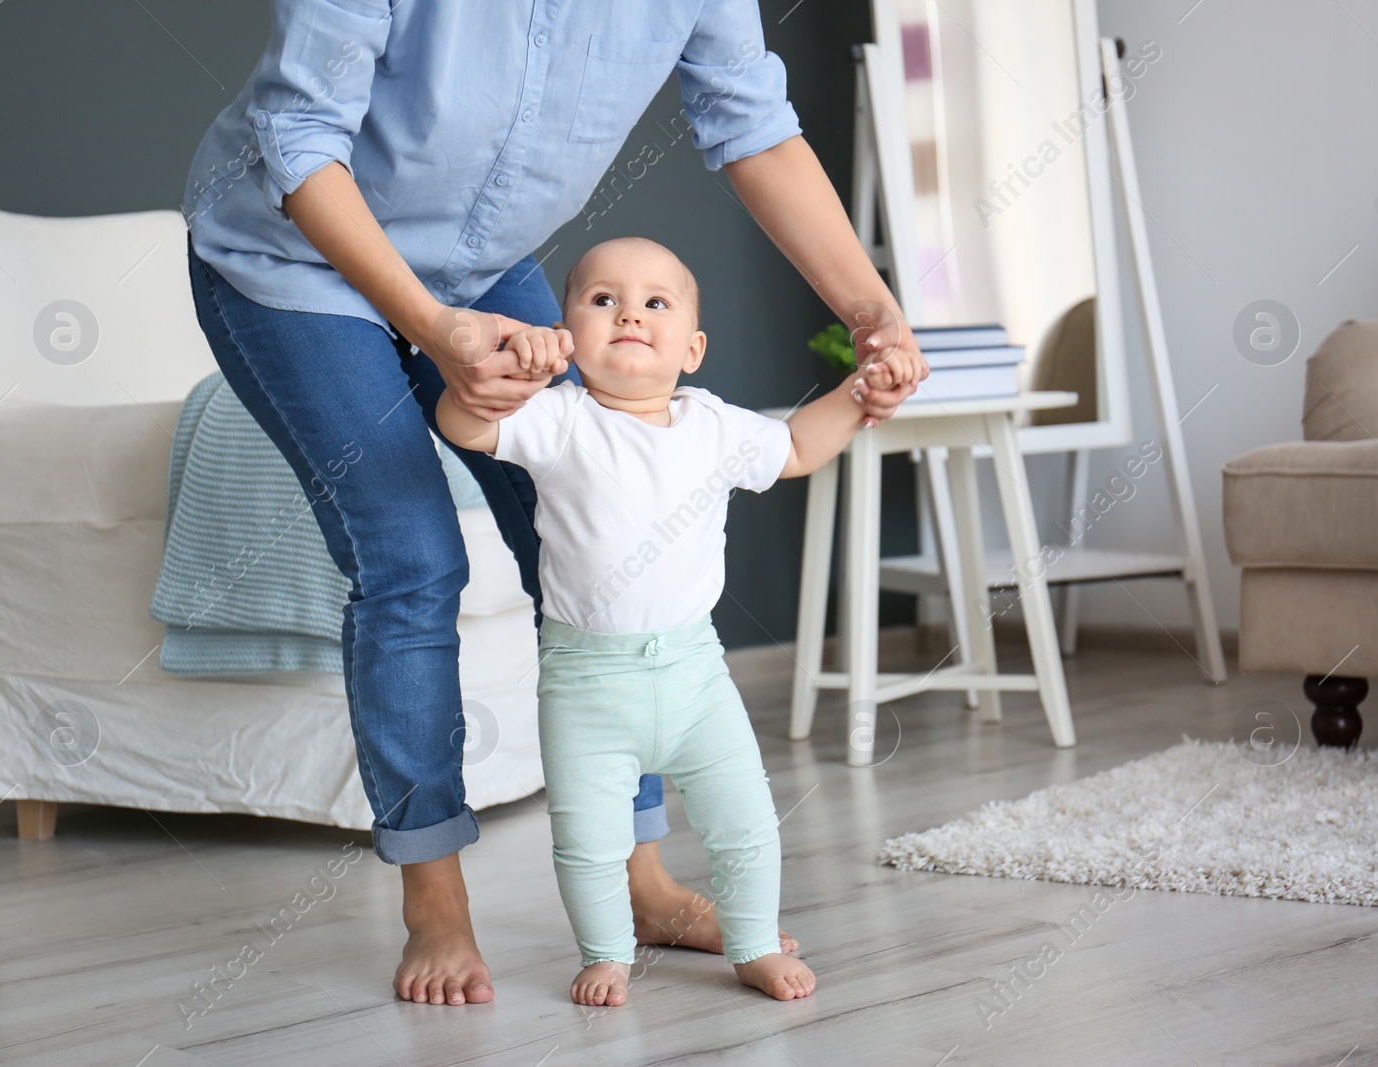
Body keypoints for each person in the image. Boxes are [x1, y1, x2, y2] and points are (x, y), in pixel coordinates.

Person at [181, 1, 926, 1007]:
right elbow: (300, 137)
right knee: (409, 554)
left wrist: (871, 308)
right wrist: (435, 330)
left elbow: (754, 126)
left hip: (480, 263)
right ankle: (434, 899)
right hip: (291, 258)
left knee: (589, 524)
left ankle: (643, 879)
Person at [437, 237, 914, 1005]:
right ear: (567, 335)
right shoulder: (558, 418)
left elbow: (793, 445)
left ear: (692, 348)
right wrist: (501, 378)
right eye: (603, 300)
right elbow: (463, 427)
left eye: (655, 302)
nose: (629, 311)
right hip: (588, 684)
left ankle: (754, 941)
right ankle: (606, 952)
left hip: (697, 675)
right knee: (589, 842)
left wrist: (861, 393)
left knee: (747, 822)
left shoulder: (714, 425)